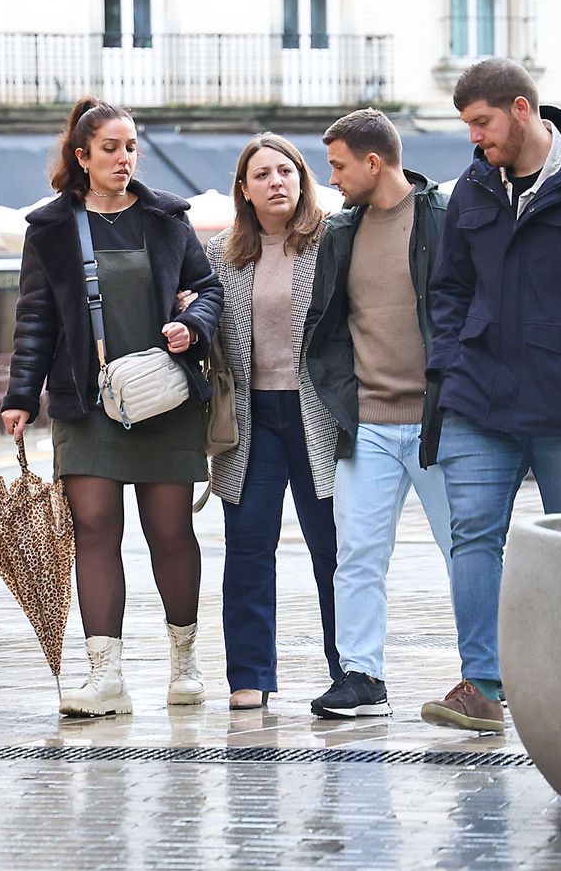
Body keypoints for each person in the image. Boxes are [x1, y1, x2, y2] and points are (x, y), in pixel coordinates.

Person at [420, 58, 561, 733]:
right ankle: (482, 684)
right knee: (474, 534)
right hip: (479, 397)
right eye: (467, 125)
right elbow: (449, 288)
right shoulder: (472, 186)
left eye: (481, 122)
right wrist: (452, 362)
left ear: (521, 109)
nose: (474, 137)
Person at [0, 97, 223, 718]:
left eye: (130, 147)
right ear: (82, 157)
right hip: (86, 402)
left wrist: (191, 327)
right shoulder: (49, 228)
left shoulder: (167, 219)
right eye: (110, 149)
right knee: (95, 532)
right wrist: (21, 396)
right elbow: (35, 318)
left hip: (164, 399)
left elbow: (206, 291)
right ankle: (107, 678)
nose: (124, 159)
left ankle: (185, 661)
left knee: (170, 532)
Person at [302, 107, 452, 719]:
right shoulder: (341, 233)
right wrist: (346, 395)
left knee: (466, 550)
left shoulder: (444, 218)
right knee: (357, 552)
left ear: (372, 161)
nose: (330, 177)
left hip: (443, 423)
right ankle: (361, 677)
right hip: (367, 424)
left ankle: (492, 676)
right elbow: (328, 327)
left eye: (337, 165)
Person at [205, 132, 340, 711]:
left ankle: (351, 670)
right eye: (261, 175)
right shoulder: (222, 252)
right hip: (251, 419)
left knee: (333, 550)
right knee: (248, 549)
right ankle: (249, 677)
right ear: (245, 190)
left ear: (302, 179)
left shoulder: (331, 241)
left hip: (317, 416)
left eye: (284, 171)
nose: (275, 182)